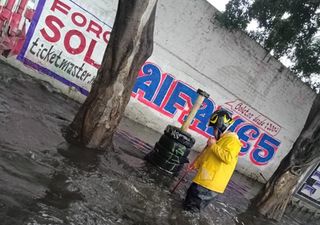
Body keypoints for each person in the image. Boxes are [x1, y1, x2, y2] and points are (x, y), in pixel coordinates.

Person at [183, 108, 242, 212]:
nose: (213, 132)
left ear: (220, 127)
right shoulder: (220, 140)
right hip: (204, 180)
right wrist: (195, 165)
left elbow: (228, 158)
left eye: (214, 128)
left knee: (191, 209)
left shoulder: (233, 141)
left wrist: (213, 145)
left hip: (209, 184)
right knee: (188, 202)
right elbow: (208, 156)